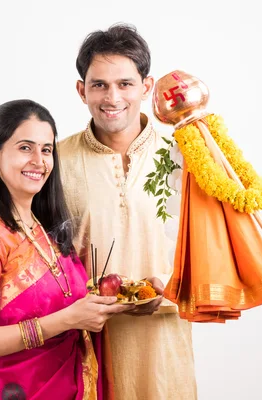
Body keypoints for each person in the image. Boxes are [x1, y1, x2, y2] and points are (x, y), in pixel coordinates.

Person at [0, 99, 132, 400]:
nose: (39, 160)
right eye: (25, 147)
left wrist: (122, 299)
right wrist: (68, 320)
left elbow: (71, 307)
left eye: (46, 149)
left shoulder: (45, 230)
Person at [58, 24, 198, 400]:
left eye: (125, 83)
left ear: (146, 86)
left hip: (164, 352)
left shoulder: (184, 156)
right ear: (81, 90)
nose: (112, 97)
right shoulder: (55, 160)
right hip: (84, 353)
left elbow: (209, 252)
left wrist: (167, 291)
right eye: (99, 84)